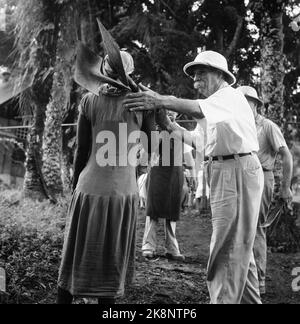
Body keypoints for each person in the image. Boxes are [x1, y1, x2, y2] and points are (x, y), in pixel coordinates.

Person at [124, 50, 264, 304]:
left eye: (202, 71)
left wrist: (159, 99)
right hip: (227, 169)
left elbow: (192, 106)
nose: (195, 77)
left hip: (237, 170)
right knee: (240, 248)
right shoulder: (216, 107)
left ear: (220, 74)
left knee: (226, 251)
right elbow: (199, 142)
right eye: (193, 73)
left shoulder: (228, 96)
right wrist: (167, 123)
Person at [57, 51, 154, 304]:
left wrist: (75, 185)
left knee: (77, 251)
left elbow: (82, 150)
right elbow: (151, 146)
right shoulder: (141, 103)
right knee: (112, 255)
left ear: (104, 71)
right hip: (123, 190)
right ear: (130, 72)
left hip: (90, 187)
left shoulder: (89, 101)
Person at [238, 86, 293, 295]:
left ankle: (259, 281)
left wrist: (285, 187)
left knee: (257, 228)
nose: (243, 105)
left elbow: (286, 155)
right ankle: (244, 278)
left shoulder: (267, 126)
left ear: (256, 105)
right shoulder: (239, 125)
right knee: (241, 228)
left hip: (262, 176)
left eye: (248, 102)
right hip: (241, 178)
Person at [142, 111, 196, 262]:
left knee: (172, 211)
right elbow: (148, 152)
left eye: (172, 114)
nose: (170, 117)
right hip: (158, 172)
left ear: (175, 116)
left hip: (175, 174)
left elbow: (188, 156)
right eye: (166, 114)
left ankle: (172, 248)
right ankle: (148, 246)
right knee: (153, 209)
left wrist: (192, 175)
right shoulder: (155, 132)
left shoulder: (181, 131)